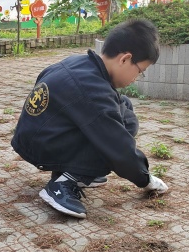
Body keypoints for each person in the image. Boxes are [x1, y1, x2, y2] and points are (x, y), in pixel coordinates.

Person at [11, 19, 168, 219]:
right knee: (114, 134)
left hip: (35, 135)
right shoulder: (93, 92)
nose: (136, 78)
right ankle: (63, 184)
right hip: (41, 147)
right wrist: (145, 179)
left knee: (124, 108)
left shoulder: (79, 63)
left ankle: (79, 171)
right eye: (140, 71)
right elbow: (118, 147)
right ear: (125, 59)